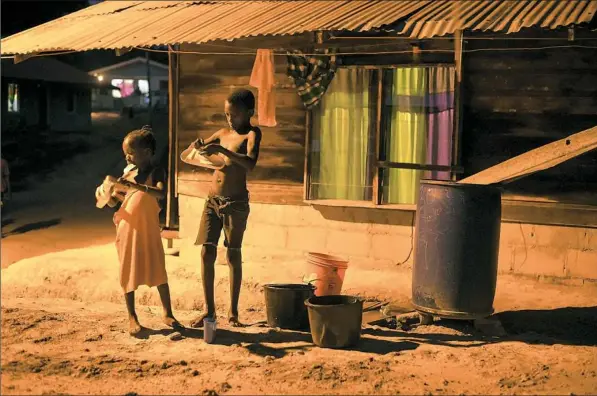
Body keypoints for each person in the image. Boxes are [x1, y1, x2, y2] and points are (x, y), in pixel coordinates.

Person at [189, 89, 262, 328]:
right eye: (227, 114)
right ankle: (209, 311)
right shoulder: (222, 133)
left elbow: (250, 164)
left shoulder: (252, 134)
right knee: (206, 253)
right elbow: (202, 148)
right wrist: (199, 146)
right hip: (213, 201)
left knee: (232, 254)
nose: (230, 119)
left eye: (235, 115)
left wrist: (222, 151)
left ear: (249, 112)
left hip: (235, 203)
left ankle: (233, 313)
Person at [109, 126, 180, 336]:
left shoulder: (156, 171)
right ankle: (132, 317)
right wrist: (109, 196)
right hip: (127, 228)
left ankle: (168, 312)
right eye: (125, 153)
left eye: (131, 153)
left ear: (147, 152)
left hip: (148, 229)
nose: (127, 157)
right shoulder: (129, 174)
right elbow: (120, 202)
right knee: (128, 270)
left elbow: (160, 193)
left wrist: (136, 186)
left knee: (158, 268)